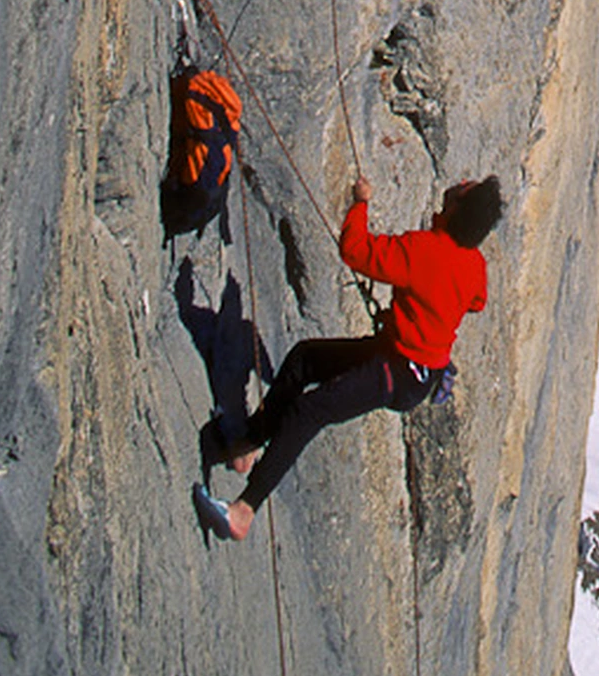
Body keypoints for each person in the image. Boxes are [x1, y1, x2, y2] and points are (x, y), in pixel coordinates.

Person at [193, 171, 502, 542]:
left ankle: (244, 511)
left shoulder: (424, 249)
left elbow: (355, 251)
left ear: (456, 208)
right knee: (304, 359)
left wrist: (360, 203)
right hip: (411, 367)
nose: (462, 182)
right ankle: (249, 444)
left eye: (465, 187)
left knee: (309, 411)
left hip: (396, 368)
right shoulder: (473, 265)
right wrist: (422, 311)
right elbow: (476, 302)